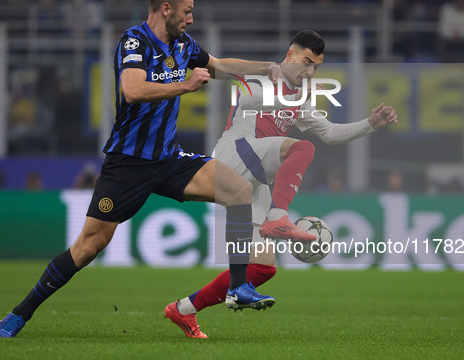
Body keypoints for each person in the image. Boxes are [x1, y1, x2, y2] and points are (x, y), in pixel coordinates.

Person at [0, 0, 304, 339]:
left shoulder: (184, 45)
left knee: (239, 191)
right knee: (89, 246)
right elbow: (132, 89)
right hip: (128, 163)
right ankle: (20, 313)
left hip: (168, 159)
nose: (190, 19)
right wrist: (184, 86)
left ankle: (238, 286)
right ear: (166, 9)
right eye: (187, 12)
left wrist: (268, 68)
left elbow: (218, 66)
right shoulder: (134, 41)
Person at [165, 30, 398, 338]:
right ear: (290, 55)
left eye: (316, 67)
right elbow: (246, 96)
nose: (310, 72)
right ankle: (279, 217)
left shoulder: (298, 97)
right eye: (306, 62)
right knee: (303, 148)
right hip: (235, 153)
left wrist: (370, 124)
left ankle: (183, 309)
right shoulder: (262, 78)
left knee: (262, 268)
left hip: (255, 181)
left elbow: (329, 132)